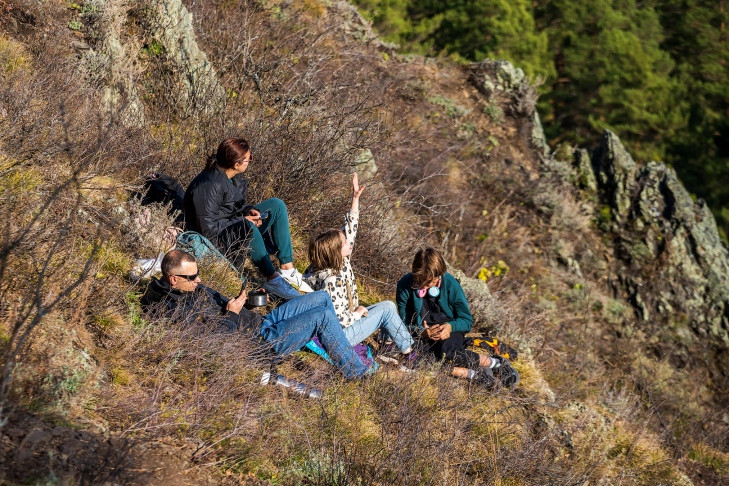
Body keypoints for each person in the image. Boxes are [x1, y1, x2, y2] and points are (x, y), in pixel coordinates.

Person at [140, 250, 375, 380]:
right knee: (322, 316)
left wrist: (247, 303)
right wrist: (232, 315)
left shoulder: (193, 288)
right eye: (192, 277)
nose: (199, 280)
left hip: (261, 323)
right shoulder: (174, 310)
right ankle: (356, 372)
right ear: (173, 280)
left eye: (198, 274)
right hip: (260, 345)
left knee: (322, 298)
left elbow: (225, 308)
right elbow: (213, 341)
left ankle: (339, 345)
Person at [183, 137, 313, 300]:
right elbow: (207, 230)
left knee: (276, 206)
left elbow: (230, 207)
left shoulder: (229, 177)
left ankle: (287, 269)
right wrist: (242, 221)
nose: (249, 162)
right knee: (247, 227)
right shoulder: (210, 185)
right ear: (236, 163)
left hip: (229, 227)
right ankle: (273, 279)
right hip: (214, 242)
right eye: (248, 159)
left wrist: (248, 210)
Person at [304, 173, 414, 358]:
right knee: (386, 309)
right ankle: (410, 355)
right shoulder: (332, 280)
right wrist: (357, 313)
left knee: (386, 306)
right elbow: (340, 320)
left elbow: (351, 228)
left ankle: (394, 345)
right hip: (339, 337)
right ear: (336, 251)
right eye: (345, 243)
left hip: (340, 329)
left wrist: (355, 199)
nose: (349, 242)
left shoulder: (333, 262)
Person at [396, 248, 519, 388]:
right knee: (416, 359)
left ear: (439, 275)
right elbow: (403, 324)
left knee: (449, 353)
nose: (426, 285)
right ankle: (473, 374)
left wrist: (450, 326)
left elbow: (466, 320)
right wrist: (422, 332)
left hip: (450, 330)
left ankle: (495, 363)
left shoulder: (451, 284)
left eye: (431, 281)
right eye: (420, 280)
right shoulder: (405, 285)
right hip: (423, 335)